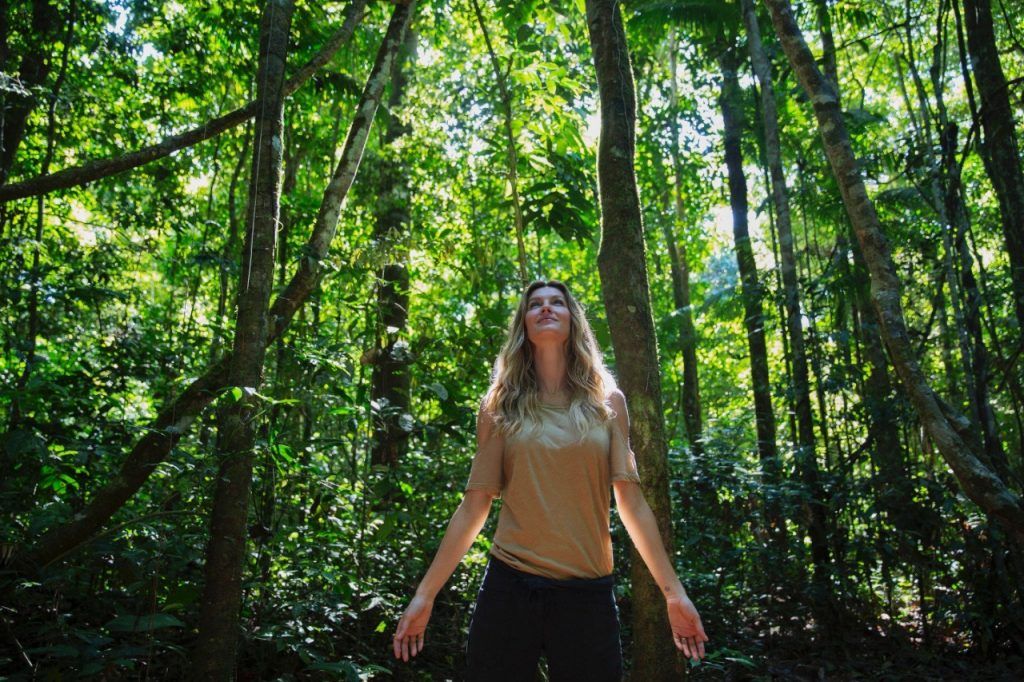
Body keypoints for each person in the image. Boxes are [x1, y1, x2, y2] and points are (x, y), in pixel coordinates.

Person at [392, 279, 707, 680]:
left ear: (573, 320)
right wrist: (425, 595)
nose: (545, 308)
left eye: (557, 302)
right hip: (510, 587)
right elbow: (474, 507)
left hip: (587, 595)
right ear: (523, 325)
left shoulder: (608, 403)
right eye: (535, 304)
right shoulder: (500, 404)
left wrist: (674, 595)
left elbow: (631, 504)